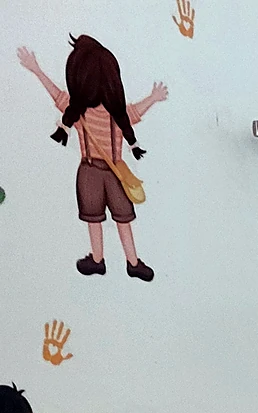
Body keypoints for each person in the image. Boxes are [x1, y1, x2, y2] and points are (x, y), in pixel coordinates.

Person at [17, 37, 167, 281]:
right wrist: (153, 97)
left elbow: (57, 96)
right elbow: (135, 112)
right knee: (111, 218)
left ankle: (105, 260)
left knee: (100, 218)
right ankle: (128, 262)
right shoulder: (114, 114)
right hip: (111, 170)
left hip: (95, 170)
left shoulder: (80, 112)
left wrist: (37, 69)